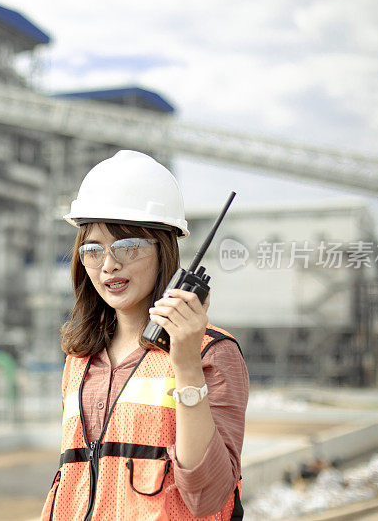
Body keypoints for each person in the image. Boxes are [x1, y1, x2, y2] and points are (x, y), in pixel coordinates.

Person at [41, 150, 248, 520]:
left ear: (163, 248)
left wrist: (186, 366)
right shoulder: (80, 358)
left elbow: (209, 495)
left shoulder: (212, 352)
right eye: (92, 249)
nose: (108, 265)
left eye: (127, 246)